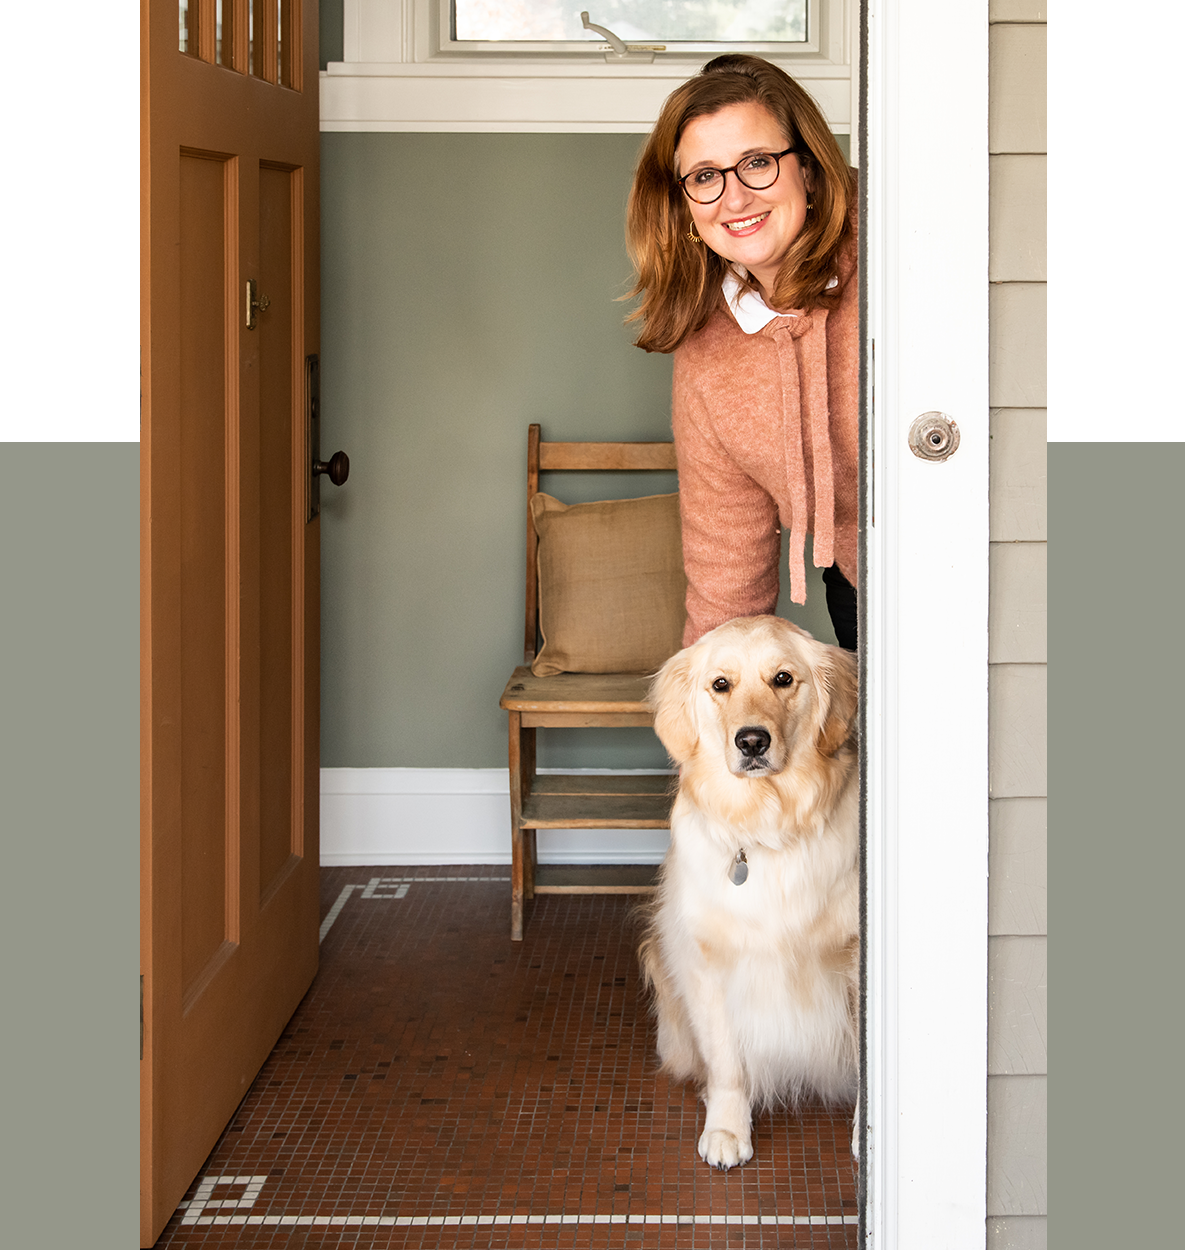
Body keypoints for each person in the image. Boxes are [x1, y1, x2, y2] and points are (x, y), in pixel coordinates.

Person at [626, 54, 859, 652]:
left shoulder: (895, 251)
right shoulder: (707, 354)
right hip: (861, 586)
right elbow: (727, 571)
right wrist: (709, 727)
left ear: (807, 170)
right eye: (705, 176)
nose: (734, 197)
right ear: (683, 203)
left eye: (757, 162)